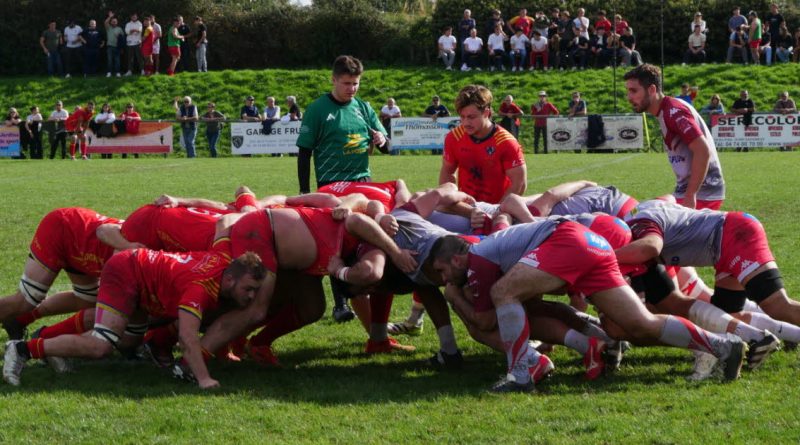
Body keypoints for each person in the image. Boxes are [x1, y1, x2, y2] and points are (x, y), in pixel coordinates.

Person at [431, 221, 747, 392]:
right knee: (640, 324)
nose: (444, 279)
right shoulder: (485, 251)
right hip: (592, 243)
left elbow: (486, 321)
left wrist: (455, 298)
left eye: (443, 271)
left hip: (567, 239)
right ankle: (724, 346)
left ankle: (521, 374)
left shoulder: (477, 257)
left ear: (457, 259)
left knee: (503, 292)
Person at [3, 243, 266, 389]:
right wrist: (204, 378)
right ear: (229, 280)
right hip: (127, 273)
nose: (252, 296)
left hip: (141, 280)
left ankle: (54, 347)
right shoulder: (200, 289)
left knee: (128, 339)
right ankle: (23, 349)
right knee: (101, 345)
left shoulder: (223, 260)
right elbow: (187, 337)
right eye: (248, 289)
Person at [624, 64, 724, 209]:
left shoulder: (673, 111)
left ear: (651, 90)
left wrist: (690, 195)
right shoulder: (666, 110)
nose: (629, 97)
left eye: (634, 91)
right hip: (689, 192)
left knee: (641, 216)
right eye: (628, 91)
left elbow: (702, 150)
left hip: (703, 194)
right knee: (640, 211)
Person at [296, 55, 387, 193]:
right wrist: (304, 191)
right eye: (346, 83)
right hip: (331, 182)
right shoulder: (316, 109)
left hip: (362, 179)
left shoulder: (364, 108)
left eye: (355, 83)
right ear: (334, 80)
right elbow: (304, 153)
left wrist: (382, 139)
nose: (352, 88)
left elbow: (387, 148)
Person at [439, 85, 526, 204]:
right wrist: (455, 204)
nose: (466, 123)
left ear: (486, 112)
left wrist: (497, 211)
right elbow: (447, 172)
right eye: (462, 117)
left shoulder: (506, 142)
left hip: (497, 208)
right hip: (465, 208)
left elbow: (519, 183)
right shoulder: (454, 137)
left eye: (471, 117)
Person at [104, 12, 124, 77]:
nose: (114, 22)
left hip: (117, 47)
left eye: (115, 22)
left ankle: (117, 72)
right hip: (109, 46)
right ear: (111, 22)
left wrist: (119, 37)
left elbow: (122, 39)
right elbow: (105, 22)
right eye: (113, 21)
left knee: (117, 60)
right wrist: (110, 17)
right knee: (109, 60)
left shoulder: (119, 29)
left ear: (117, 22)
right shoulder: (108, 28)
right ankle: (109, 72)